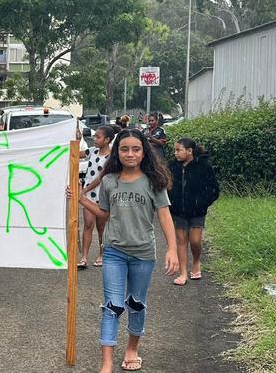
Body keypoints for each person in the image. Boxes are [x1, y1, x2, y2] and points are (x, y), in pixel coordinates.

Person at [69, 129, 179, 373]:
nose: (130, 154)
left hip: (143, 254)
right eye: (125, 149)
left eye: (136, 149)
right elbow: (104, 214)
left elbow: (164, 215)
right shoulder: (110, 181)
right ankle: (106, 363)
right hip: (114, 252)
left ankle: (132, 349)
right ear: (117, 152)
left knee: (136, 303)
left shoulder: (154, 182)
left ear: (144, 152)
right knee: (112, 305)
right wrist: (81, 198)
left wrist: (172, 249)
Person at [168, 138, 219, 286]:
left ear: (189, 151)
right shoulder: (172, 167)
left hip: (197, 212)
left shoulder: (204, 167)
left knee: (195, 241)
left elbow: (214, 190)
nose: (175, 153)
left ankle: (196, 262)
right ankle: (183, 273)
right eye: (175, 150)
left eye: (179, 150)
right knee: (181, 240)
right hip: (178, 211)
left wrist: (202, 204)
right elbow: (166, 185)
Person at [77, 126, 116, 269]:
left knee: (101, 227)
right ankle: (84, 257)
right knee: (88, 225)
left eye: (98, 137)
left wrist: (84, 190)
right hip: (88, 194)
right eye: (95, 136)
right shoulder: (92, 151)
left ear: (107, 140)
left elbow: (101, 177)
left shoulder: (113, 156)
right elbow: (75, 153)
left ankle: (102, 254)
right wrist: (76, 139)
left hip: (103, 193)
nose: (95, 139)